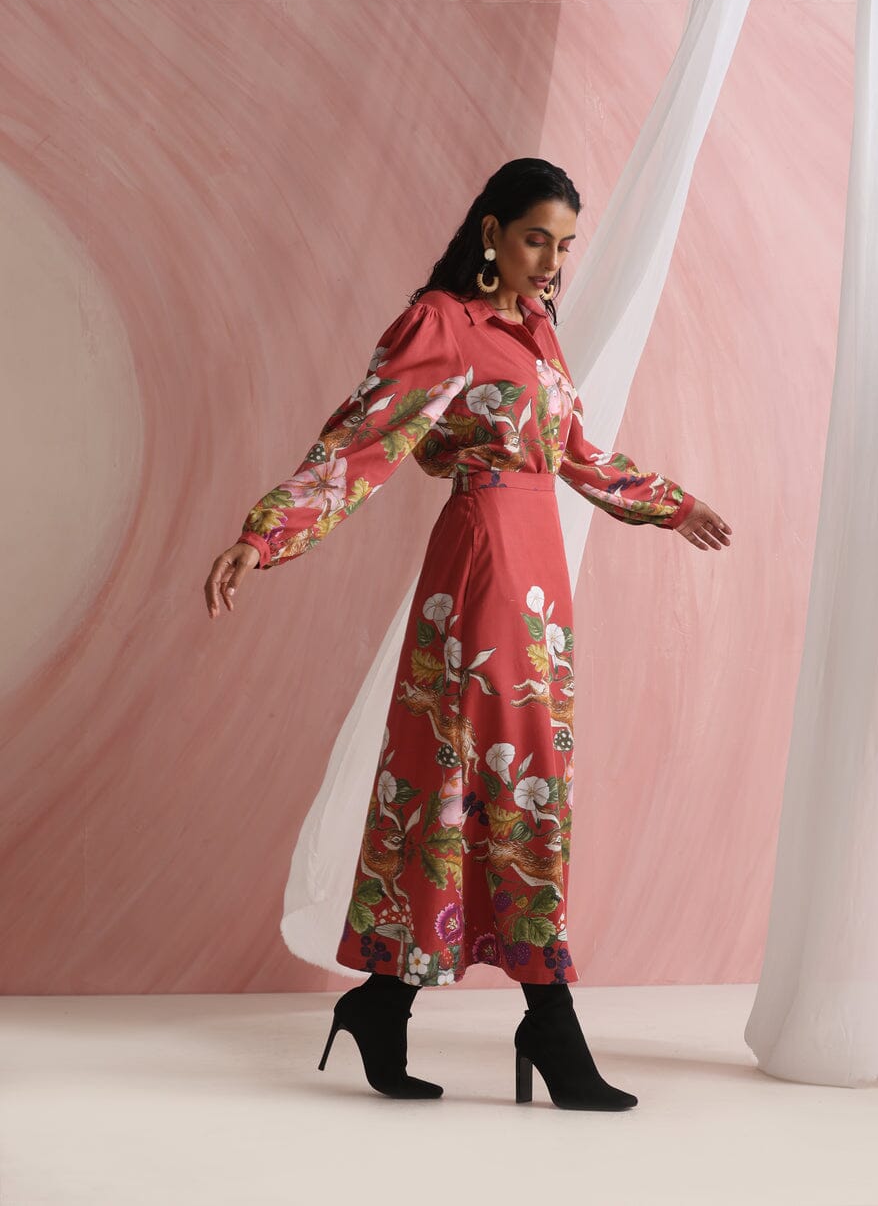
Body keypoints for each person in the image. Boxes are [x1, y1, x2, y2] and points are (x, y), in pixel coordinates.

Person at [204, 157, 732, 1110]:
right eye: (536, 239)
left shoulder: (537, 332)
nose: (552, 262)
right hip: (482, 568)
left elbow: (578, 455)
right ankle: (549, 1020)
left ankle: (384, 1000)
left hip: (539, 582)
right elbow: (357, 443)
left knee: (481, 781)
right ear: (492, 231)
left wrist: (670, 504)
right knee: (493, 772)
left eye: (565, 245)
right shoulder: (442, 324)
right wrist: (264, 534)